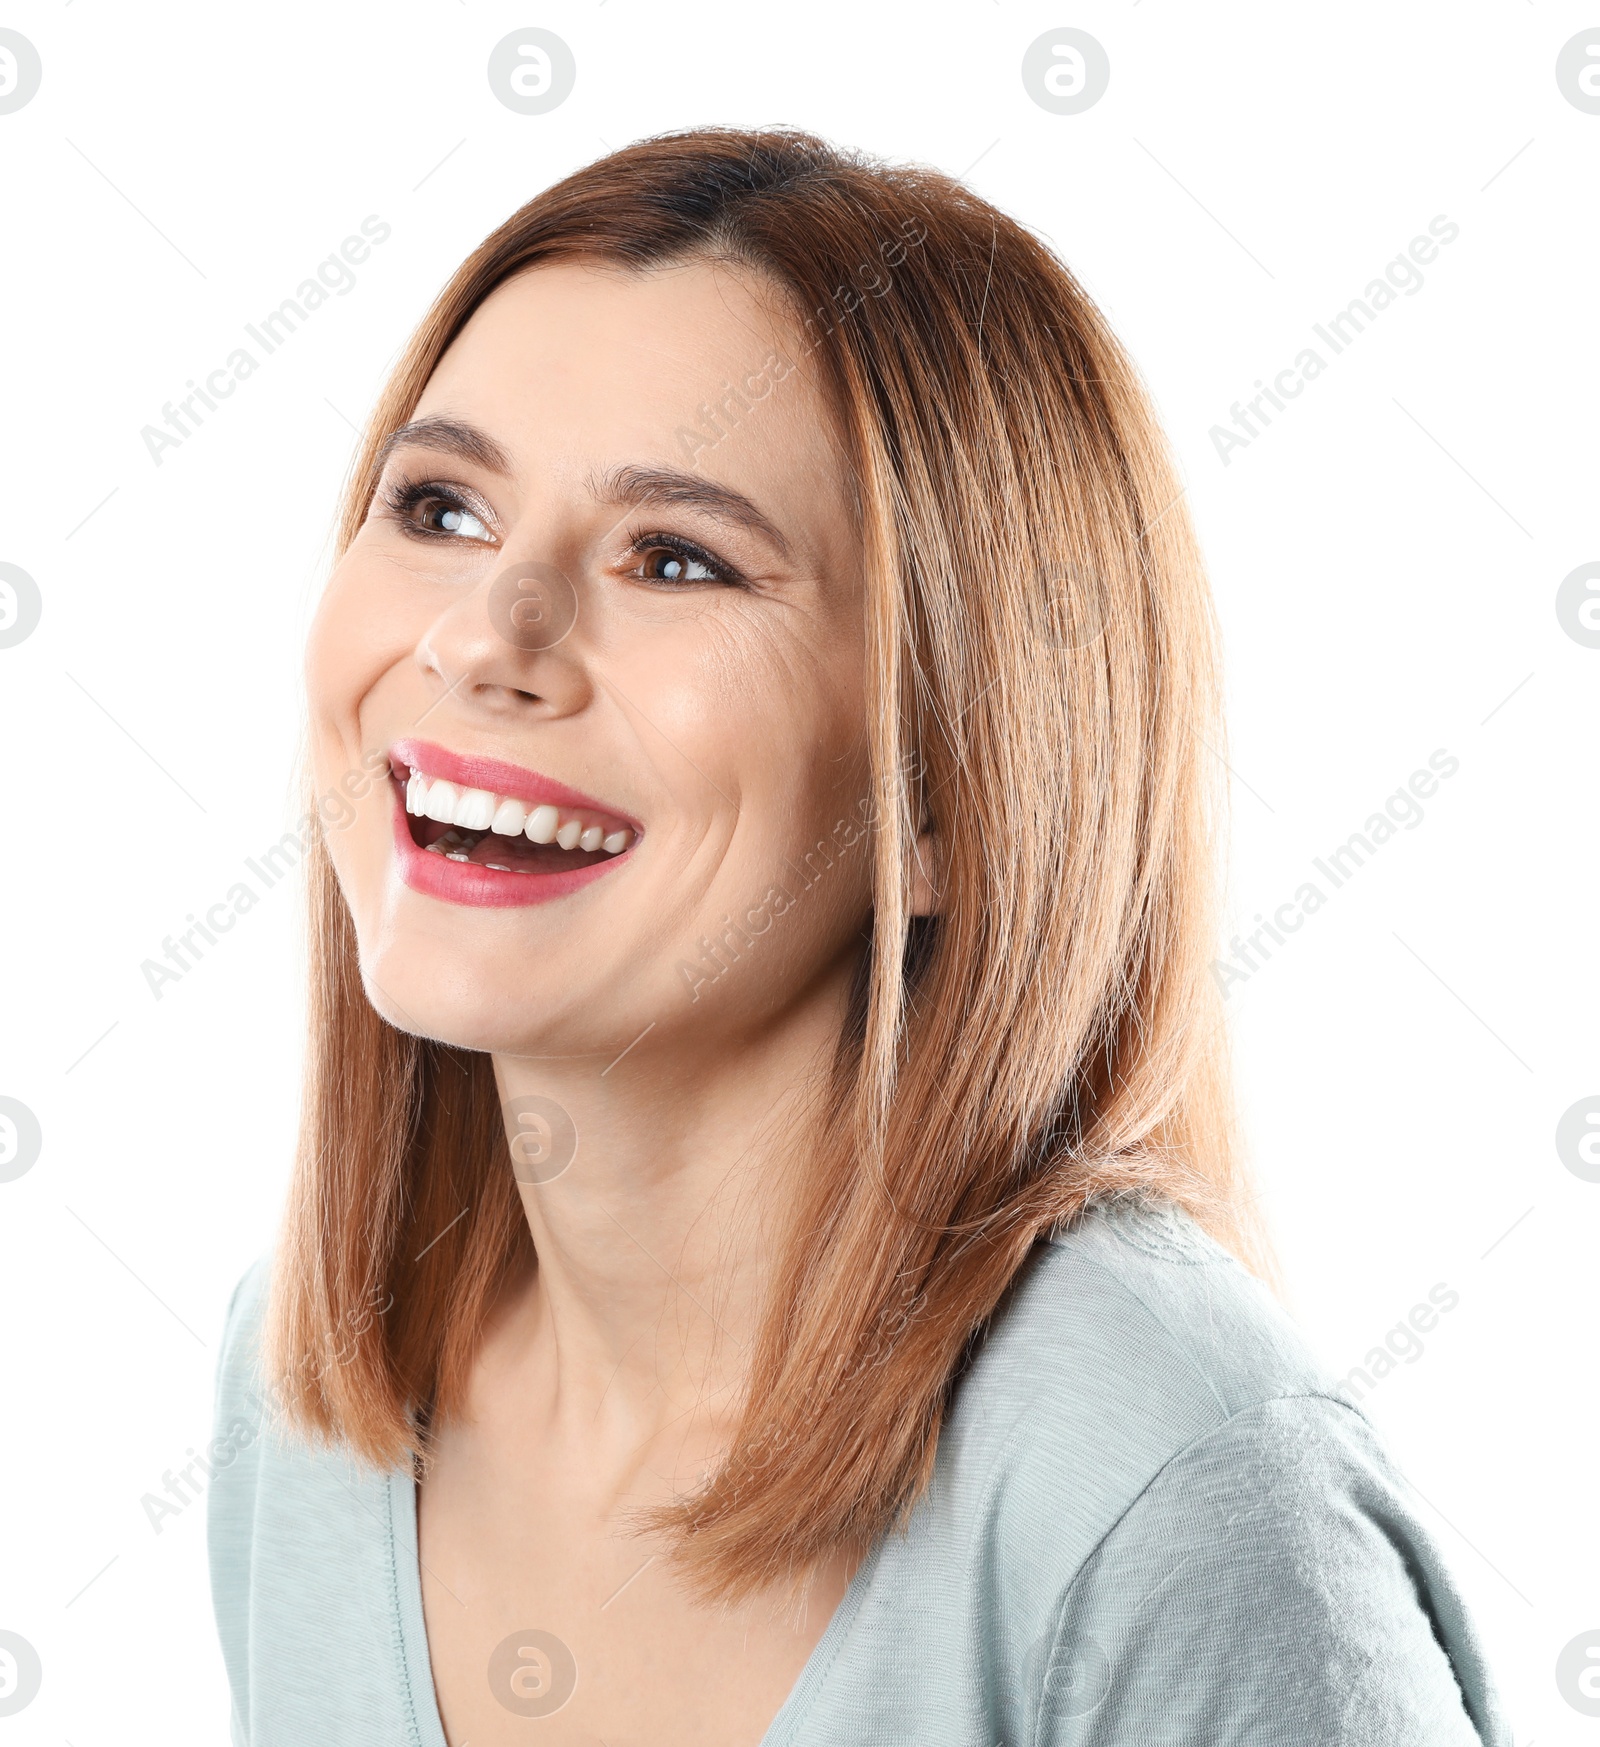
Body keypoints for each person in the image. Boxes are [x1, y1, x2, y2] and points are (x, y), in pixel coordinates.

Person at [206, 127, 1508, 1746]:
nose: (486, 638)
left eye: (673, 556)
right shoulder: (308, 1397)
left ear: (945, 797)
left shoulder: (1173, 1490)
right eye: (444, 507)